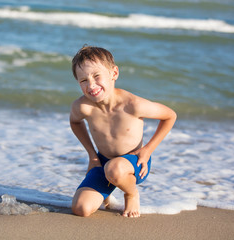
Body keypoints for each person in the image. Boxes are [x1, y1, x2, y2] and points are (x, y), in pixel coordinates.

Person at [70, 45, 177, 218]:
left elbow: (170, 116)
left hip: (134, 163)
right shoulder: (83, 107)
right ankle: (107, 189)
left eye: (97, 76)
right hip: (103, 163)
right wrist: (92, 155)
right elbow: (75, 123)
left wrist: (148, 150)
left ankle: (131, 193)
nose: (91, 85)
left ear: (114, 73)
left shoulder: (132, 105)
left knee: (114, 169)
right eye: (83, 80)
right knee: (80, 209)